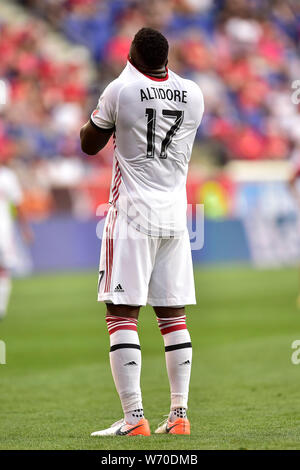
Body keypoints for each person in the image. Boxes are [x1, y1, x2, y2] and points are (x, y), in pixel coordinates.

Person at [80, 27, 204, 436]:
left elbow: (88, 143)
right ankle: (180, 415)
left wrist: (111, 121)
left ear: (132, 54)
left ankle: (134, 419)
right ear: (166, 57)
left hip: (131, 215)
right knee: (172, 315)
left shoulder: (120, 89)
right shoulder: (194, 93)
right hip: (175, 215)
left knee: (121, 312)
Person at [0, 155, 32, 319]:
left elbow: (18, 204)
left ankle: (1, 308)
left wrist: (25, 229)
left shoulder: (7, 177)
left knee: (3, 267)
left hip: (3, 230)